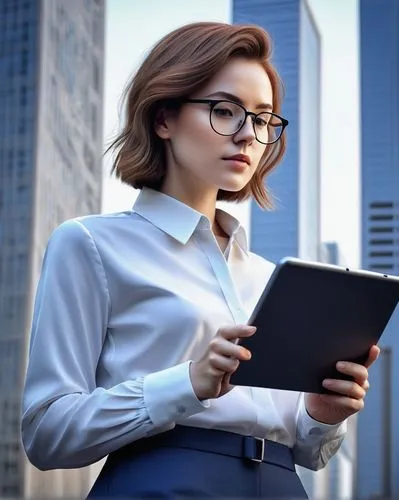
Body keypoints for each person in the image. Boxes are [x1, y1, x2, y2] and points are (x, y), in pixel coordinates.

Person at [21, 21, 379, 498]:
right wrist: (188, 383)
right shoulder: (90, 244)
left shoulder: (269, 277)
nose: (248, 135)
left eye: (262, 118)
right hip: (164, 485)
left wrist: (321, 414)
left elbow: (308, 453)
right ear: (163, 118)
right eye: (225, 110)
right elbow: (47, 433)